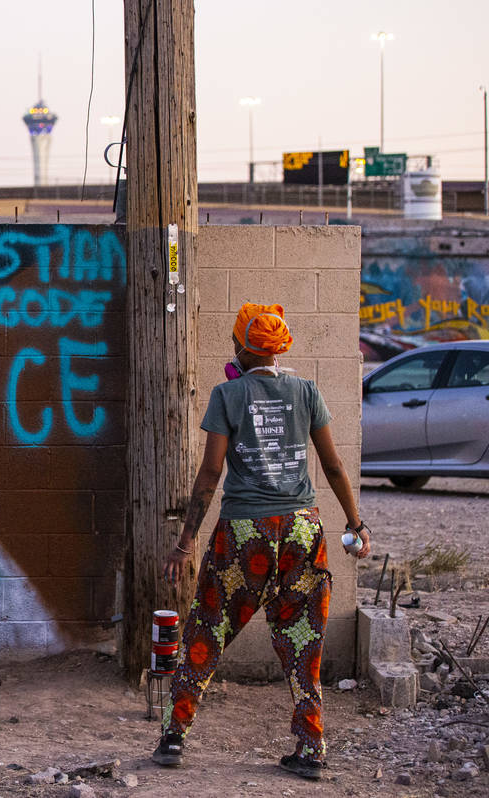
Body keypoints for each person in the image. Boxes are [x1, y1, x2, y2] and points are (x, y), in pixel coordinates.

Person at [150, 302, 370, 781]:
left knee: (207, 630)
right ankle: (311, 748)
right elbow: (332, 466)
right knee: (303, 643)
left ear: (240, 349)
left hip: (244, 535)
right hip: (303, 532)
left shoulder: (227, 394)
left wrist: (185, 542)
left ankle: (173, 738)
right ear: (279, 350)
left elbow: (211, 473)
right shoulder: (306, 391)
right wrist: (356, 523)